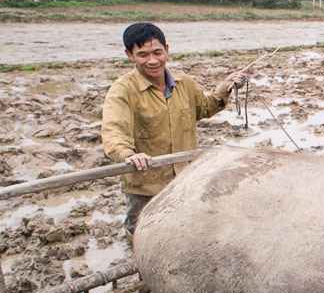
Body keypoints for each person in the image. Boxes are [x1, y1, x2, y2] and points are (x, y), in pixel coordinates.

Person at [102, 22, 246, 236]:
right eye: (142, 55)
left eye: (157, 52)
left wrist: (224, 88)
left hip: (185, 179)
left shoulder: (183, 82)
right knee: (143, 235)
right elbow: (114, 131)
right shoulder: (122, 90)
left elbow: (204, 108)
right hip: (147, 185)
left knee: (185, 232)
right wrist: (129, 155)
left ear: (166, 49)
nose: (152, 61)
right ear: (129, 55)